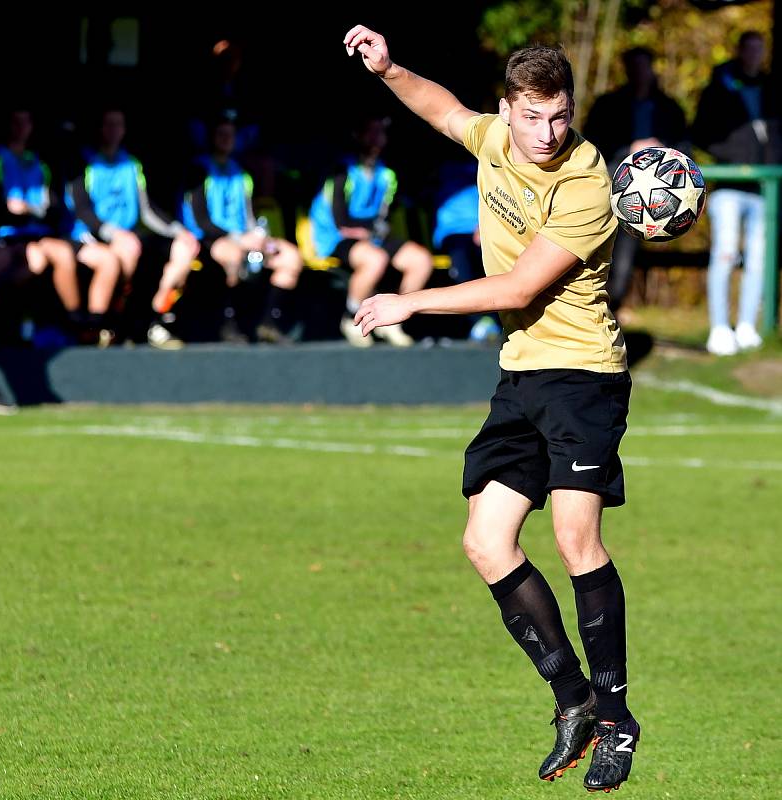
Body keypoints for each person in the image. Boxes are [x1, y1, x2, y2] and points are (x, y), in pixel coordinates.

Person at [345, 25, 638, 792]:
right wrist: (388, 68)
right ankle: (570, 698)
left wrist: (412, 302)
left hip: (581, 377)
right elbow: (439, 109)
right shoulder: (495, 140)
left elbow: (515, 291)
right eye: (532, 116)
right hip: (520, 377)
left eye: (559, 116)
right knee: (485, 540)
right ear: (506, 110)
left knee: (577, 540)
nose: (547, 133)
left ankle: (616, 718)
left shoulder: (584, 181)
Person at [68, 108, 201, 349]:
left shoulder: (132, 164)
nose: (113, 130)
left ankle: (157, 316)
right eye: (108, 124)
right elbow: (82, 211)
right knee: (126, 250)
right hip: (91, 236)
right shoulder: (84, 162)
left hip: (129, 236)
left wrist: (180, 232)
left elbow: (147, 209)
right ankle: (113, 323)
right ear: (98, 128)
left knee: (184, 248)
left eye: (118, 125)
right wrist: (113, 233)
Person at [0, 109, 120, 343]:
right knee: (33, 260)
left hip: (43, 235)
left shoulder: (40, 164)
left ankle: (89, 325)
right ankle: (20, 324)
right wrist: (8, 210)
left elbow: (53, 208)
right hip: (9, 237)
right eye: (16, 122)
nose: (21, 128)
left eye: (25, 122)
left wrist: (30, 210)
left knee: (103, 258)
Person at [309, 115, 433, 347]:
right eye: (371, 132)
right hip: (335, 238)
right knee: (375, 259)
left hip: (369, 236)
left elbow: (383, 217)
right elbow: (342, 222)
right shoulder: (341, 171)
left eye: (381, 133)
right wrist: (370, 230)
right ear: (358, 136)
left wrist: (371, 230)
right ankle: (352, 318)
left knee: (421, 260)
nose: (377, 138)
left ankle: (394, 318)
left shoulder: (387, 174)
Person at [693, 31, 781, 356]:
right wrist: (731, 154)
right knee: (725, 253)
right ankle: (719, 327)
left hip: (764, 191)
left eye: (760, 49)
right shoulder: (719, 89)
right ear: (740, 51)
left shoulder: (772, 87)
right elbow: (702, 132)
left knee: (759, 259)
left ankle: (747, 326)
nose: (754, 55)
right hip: (728, 188)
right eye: (750, 48)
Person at [584, 48, 688, 315]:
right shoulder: (608, 105)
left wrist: (663, 151)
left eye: (644, 67)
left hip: (656, 200)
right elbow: (591, 145)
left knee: (625, 260)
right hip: (609, 189)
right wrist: (628, 149)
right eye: (634, 67)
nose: (640, 73)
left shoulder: (669, 107)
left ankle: (612, 310)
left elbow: (687, 147)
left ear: (652, 69)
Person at [183, 116, 303, 344]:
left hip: (243, 236)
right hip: (210, 239)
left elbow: (248, 215)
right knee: (233, 256)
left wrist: (259, 236)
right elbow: (200, 220)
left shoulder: (241, 173)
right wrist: (238, 238)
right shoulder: (199, 169)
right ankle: (229, 323)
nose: (227, 139)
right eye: (221, 134)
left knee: (290, 256)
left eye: (231, 135)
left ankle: (269, 323)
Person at [432, 160, 500, 341]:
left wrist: (485, 225)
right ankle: (478, 321)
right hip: (453, 230)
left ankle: (498, 317)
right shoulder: (438, 168)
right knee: (462, 257)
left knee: (497, 257)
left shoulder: (488, 159)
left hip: (484, 227)